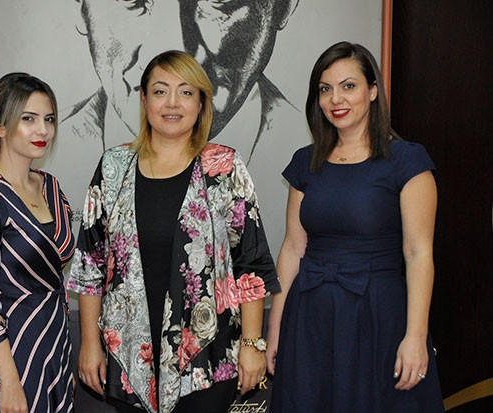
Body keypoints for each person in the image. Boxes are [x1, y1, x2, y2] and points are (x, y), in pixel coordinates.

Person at [67, 50, 280, 413]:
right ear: (144, 99)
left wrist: (251, 344)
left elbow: (251, 262)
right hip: (129, 355)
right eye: (160, 91)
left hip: (208, 356)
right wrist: (89, 343)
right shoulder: (113, 167)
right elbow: (91, 263)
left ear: (201, 103)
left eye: (185, 92)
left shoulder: (224, 167)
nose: (172, 103)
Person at [265, 41, 445, 412]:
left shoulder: (407, 160)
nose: (336, 99)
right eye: (325, 89)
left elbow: (418, 254)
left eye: (348, 86)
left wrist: (416, 335)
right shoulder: (305, 162)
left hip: (377, 315)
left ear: (373, 91)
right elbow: (293, 248)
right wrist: (275, 329)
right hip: (309, 315)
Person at [0, 73, 76, 413]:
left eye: (49, 119)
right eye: (28, 119)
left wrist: (64, 357)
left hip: (56, 345)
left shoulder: (51, 187)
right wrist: (9, 380)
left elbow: (58, 278)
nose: (43, 130)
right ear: (0, 126)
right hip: (13, 352)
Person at [64, 0, 299, 163]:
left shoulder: (308, 155)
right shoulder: (49, 164)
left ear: (283, 6)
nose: (175, 55)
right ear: (80, 8)